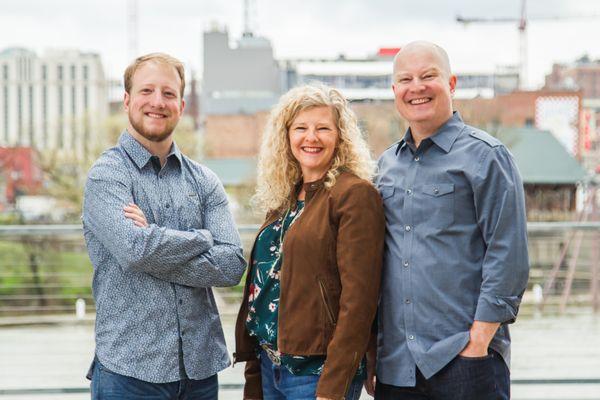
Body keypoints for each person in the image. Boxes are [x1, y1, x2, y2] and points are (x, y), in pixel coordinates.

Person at [367, 41, 530, 400]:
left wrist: (478, 341)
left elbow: (508, 254)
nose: (416, 87)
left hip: (464, 360)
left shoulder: (487, 157)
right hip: (397, 366)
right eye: (405, 79)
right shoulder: (384, 167)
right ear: (395, 91)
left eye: (429, 76)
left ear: (452, 83)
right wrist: (372, 352)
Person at [82, 53, 246, 399]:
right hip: (129, 374)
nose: (157, 102)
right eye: (147, 91)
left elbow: (232, 264)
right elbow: (135, 250)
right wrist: (203, 239)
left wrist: (153, 239)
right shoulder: (107, 176)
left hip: (199, 373)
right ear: (127, 101)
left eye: (168, 94)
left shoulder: (205, 181)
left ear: (182, 105)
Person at [234, 84, 385, 400]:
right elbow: (263, 287)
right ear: (286, 136)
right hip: (268, 366)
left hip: (317, 373)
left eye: (323, 128)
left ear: (340, 136)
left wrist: (334, 386)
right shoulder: (284, 198)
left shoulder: (354, 196)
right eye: (301, 128)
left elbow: (360, 301)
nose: (311, 138)